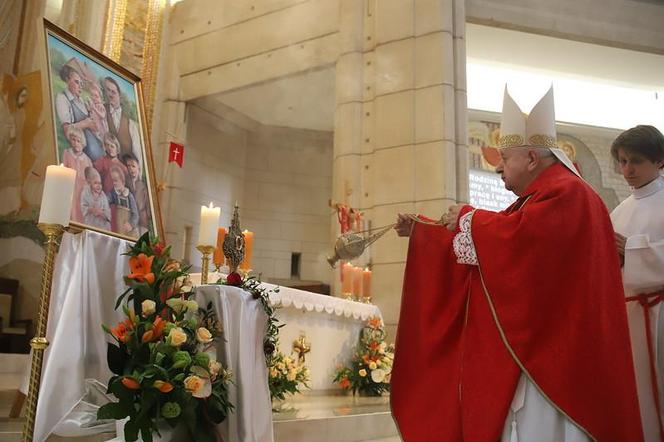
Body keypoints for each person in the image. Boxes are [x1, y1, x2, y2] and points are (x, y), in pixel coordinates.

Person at [391, 87, 643, 441]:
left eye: (505, 158)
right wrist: (424, 231)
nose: (497, 166)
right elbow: (504, 243)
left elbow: (518, 244)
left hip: (560, 354)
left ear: (531, 158)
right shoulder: (540, 198)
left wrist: (469, 217)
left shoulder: (568, 194)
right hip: (545, 344)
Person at [610, 125, 664, 442]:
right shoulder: (618, 211)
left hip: (660, 314)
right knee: (638, 399)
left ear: (659, 161)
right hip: (630, 318)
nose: (627, 170)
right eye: (623, 161)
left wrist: (630, 249)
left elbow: (627, 251)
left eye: (636, 161)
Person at [55, 63, 104, 161]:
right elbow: (67, 131)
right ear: (67, 80)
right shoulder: (62, 98)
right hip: (82, 156)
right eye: (77, 82)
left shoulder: (81, 101)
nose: (80, 86)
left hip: (96, 151)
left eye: (82, 83)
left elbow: (94, 127)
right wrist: (85, 123)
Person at [103, 76, 143, 170]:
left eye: (113, 92)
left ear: (119, 95)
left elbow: (137, 153)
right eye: (108, 90)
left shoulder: (131, 124)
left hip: (126, 172)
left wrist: (138, 176)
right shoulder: (101, 111)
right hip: (106, 168)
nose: (110, 95)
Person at [62, 126, 93, 223]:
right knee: (72, 211)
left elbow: (91, 177)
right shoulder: (67, 153)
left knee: (82, 212)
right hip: (71, 188)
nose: (75, 143)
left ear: (82, 143)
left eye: (78, 141)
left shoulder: (87, 160)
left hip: (83, 190)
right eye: (73, 140)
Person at [107, 165, 139, 237]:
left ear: (122, 180)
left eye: (116, 180)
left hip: (129, 226)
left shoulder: (129, 195)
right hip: (119, 225)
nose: (114, 183)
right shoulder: (113, 193)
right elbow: (106, 200)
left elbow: (135, 214)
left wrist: (131, 224)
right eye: (112, 181)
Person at [123, 152, 150, 235]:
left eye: (133, 166)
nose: (131, 169)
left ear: (138, 167)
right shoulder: (126, 183)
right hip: (129, 222)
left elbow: (148, 208)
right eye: (128, 166)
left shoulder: (144, 186)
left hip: (142, 223)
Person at [80, 166, 111, 231]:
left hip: (102, 225)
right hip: (91, 223)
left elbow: (107, 210)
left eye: (100, 183)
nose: (98, 186)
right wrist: (91, 210)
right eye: (95, 183)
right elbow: (83, 206)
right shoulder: (86, 192)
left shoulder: (103, 195)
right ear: (89, 183)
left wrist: (102, 213)